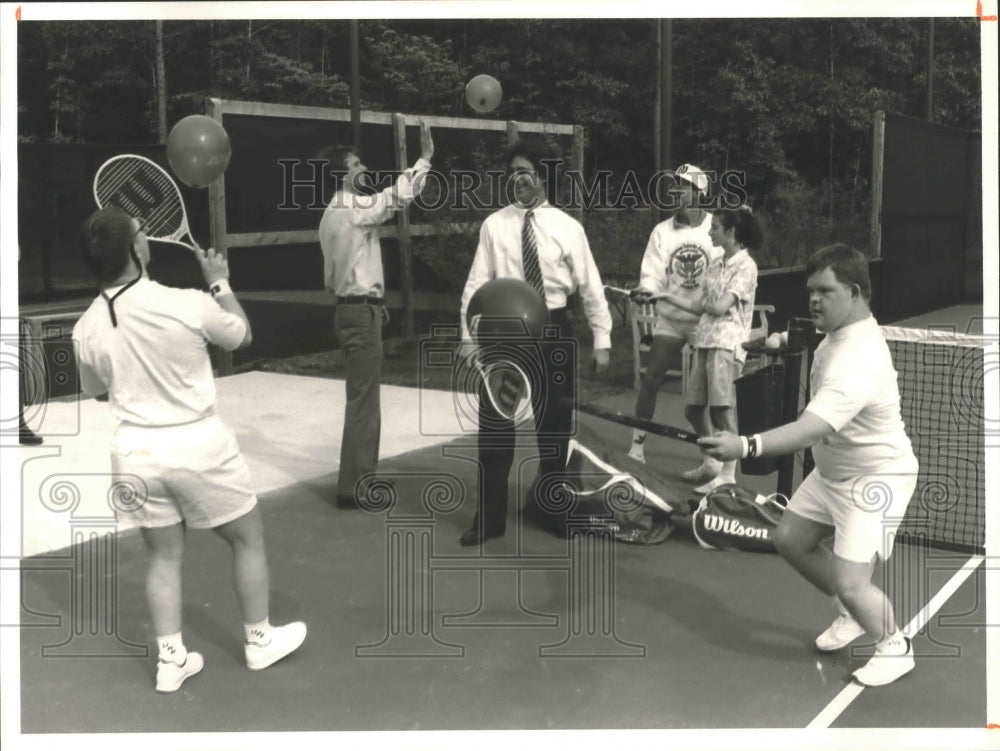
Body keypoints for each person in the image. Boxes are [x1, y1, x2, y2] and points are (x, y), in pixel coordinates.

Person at [72, 207, 306, 693]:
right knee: (246, 538)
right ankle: (259, 641)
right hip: (199, 445)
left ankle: (171, 661)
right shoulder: (188, 302)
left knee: (162, 556)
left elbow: (97, 390)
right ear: (136, 250)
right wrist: (219, 283)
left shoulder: (84, 329)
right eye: (141, 233)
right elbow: (241, 334)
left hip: (135, 453)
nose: (147, 237)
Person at [699, 244, 919, 688]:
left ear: (855, 292)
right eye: (810, 291)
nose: (814, 299)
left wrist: (743, 445)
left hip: (875, 477)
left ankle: (895, 646)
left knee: (850, 579)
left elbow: (808, 429)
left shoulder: (860, 359)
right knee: (790, 539)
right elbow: (818, 363)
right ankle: (851, 614)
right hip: (833, 471)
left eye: (825, 290)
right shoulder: (840, 333)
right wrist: (779, 341)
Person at [457, 138, 613, 546]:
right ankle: (489, 520)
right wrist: (468, 336)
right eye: (511, 174)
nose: (517, 180)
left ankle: (553, 510)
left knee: (554, 427)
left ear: (543, 177)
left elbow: (591, 286)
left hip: (553, 331)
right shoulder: (494, 225)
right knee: (494, 427)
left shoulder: (568, 228)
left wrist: (602, 337)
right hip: (504, 335)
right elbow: (476, 283)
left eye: (525, 172)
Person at [318, 120, 434, 509]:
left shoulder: (333, 212)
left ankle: (358, 480)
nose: (362, 168)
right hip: (358, 315)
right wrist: (424, 161)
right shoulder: (350, 208)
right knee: (364, 403)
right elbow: (392, 199)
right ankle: (355, 487)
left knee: (362, 400)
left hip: (356, 311)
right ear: (342, 174)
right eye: (355, 165)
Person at [627, 164, 721, 476]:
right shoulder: (661, 232)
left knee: (707, 396)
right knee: (651, 379)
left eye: (682, 187)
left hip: (704, 322)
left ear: (698, 193)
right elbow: (651, 275)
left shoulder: (716, 229)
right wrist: (645, 290)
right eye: (675, 186)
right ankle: (637, 447)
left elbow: (726, 272)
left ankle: (713, 459)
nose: (675, 192)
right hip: (671, 319)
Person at [674, 205, 761, 494]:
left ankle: (727, 475)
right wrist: (663, 296)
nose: (710, 232)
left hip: (727, 345)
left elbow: (720, 306)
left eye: (715, 228)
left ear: (731, 232)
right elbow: (700, 303)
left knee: (723, 411)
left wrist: (710, 306)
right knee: (693, 409)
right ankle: (712, 462)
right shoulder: (715, 263)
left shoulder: (747, 266)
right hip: (705, 340)